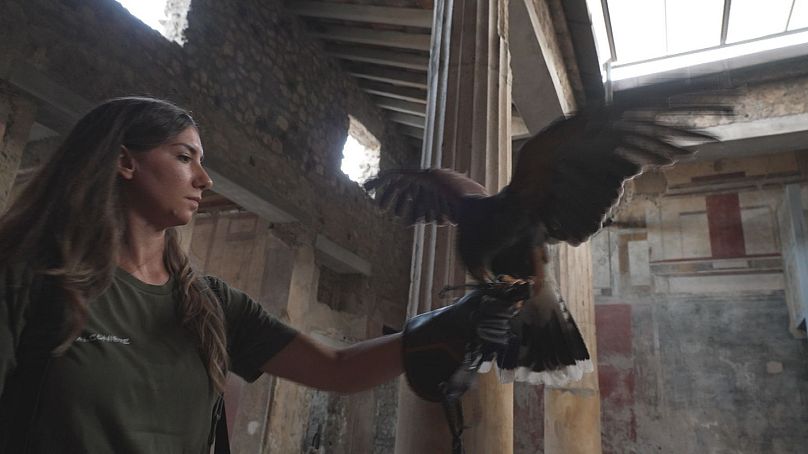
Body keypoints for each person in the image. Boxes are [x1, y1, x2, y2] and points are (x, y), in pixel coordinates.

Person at [0, 97, 518, 453]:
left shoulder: (208, 303)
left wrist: (453, 323)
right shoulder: (28, 280)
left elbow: (337, 369)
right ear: (123, 161)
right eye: (185, 157)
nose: (204, 178)